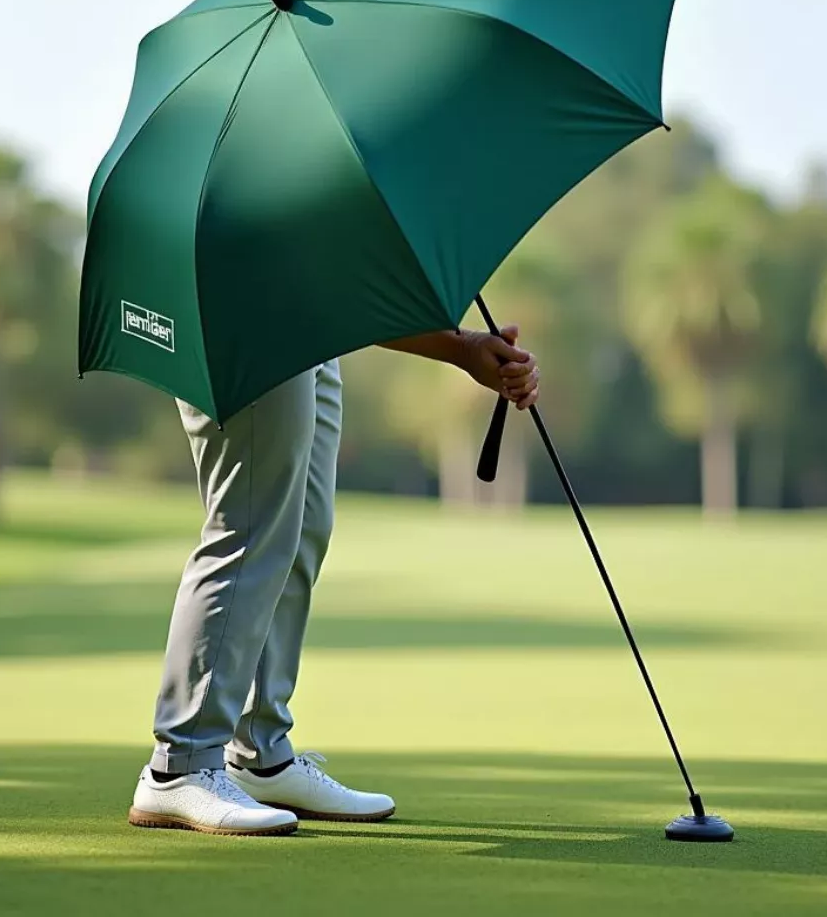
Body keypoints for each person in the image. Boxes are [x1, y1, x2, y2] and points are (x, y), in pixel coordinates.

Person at [127, 325, 541, 836]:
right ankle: (180, 763)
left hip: (310, 333)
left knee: (303, 528)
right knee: (251, 529)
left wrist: (465, 348)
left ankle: (260, 755)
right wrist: (459, 348)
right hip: (249, 320)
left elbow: (336, 269)